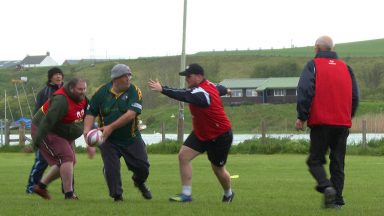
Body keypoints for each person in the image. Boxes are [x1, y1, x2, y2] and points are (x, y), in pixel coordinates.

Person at [148, 63, 234, 203]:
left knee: (218, 169)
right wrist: (227, 90)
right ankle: (186, 195)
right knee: (183, 156)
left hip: (219, 135)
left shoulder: (201, 93)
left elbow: (183, 95)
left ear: (199, 76)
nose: (186, 79)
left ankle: (228, 193)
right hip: (201, 133)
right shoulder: (208, 86)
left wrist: (162, 89)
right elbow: (219, 88)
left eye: (189, 76)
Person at [295, 36, 359, 209]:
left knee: (314, 161)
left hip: (321, 122)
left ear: (317, 48)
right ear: (332, 48)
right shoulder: (346, 68)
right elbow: (355, 96)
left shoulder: (313, 66)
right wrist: (347, 116)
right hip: (342, 123)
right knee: (338, 162)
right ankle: (337, 200)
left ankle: (326, 186)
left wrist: (302, 116)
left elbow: (305, 91)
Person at [83, 64, 152, 202]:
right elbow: (90, 113)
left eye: (129, 75)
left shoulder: (134, 91)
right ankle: (117, 196)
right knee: (111, 168)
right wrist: (87, 135)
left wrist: (110, 127)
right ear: (115, 79)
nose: (128, 78)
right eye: (124, 76)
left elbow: (131, 114)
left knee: (143, 167)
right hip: (108, 140)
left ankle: (139, 182)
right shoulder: (101, 93)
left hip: (131, 138)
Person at [31, 77, 88, 200]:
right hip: (45, 129)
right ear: (72, 88)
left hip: (61, 131)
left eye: (84, 89)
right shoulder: (61, 100)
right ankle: (69, 195)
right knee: (67, 158)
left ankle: (40, 186)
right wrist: (35, 143)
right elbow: (47, 122)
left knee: (70, 161)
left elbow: (87, 116)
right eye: (80, 89)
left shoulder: (82, 99)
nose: (83, 91)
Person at [26, 67, 65, 194]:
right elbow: (37, 114)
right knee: (41, 162)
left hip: (64, 133)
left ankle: (68, 191)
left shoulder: (68, 91)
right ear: (50, 78)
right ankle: (31, 188)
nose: (58, 76)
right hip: (46, 133)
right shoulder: (43, 93)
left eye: (60, 74)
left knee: (66, 161)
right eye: (55, 75)